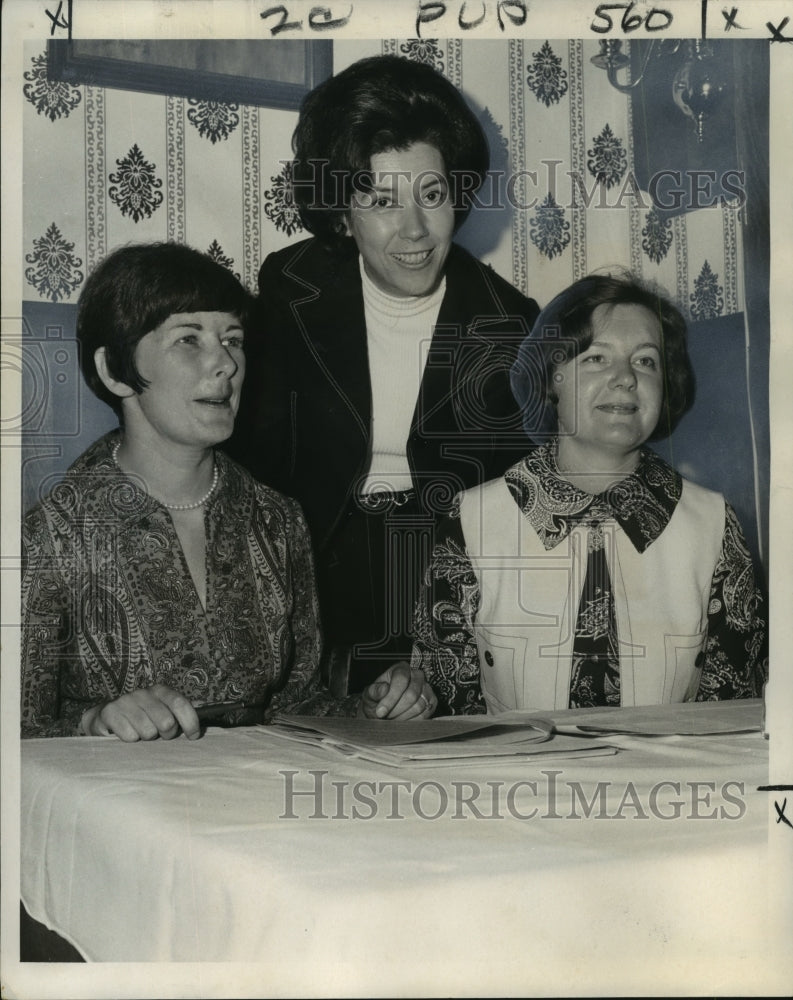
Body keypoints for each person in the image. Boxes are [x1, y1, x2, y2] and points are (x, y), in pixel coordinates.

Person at [21, 242, 436, 740]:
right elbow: (18, 731)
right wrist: (93, 722)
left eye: (233, 340)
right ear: (115, 371)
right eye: (189, 340)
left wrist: (370, 711)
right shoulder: (47, 536)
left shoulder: (278, 519)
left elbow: (296, 704)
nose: (226, 365)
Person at [226, 54, 540, 694]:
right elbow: (251, 467)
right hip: (307, 570)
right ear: (343, 214)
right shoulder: (291, 290)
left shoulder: (510, 322)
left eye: (432, 195)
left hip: (443, 583)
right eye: (380, 201)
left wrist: (441, 649)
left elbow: (512, 519)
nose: (416, 230)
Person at [411, 273, 768, 715]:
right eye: (597, 357)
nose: (625, 379)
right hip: (510, 785)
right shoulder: (471, 521)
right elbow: (444, 716)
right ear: (551, 377)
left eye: (646, 361)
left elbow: (735, 715)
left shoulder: (715, 525)